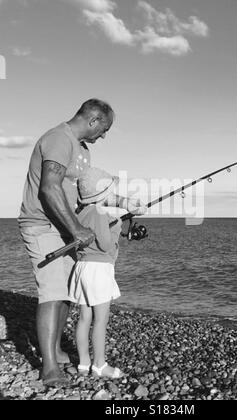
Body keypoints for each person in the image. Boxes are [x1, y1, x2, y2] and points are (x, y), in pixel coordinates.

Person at [18, 99, 146, 387]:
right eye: (104, 129)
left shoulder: (83, 151)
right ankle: (49, 367)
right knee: (52, 291)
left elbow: (90, 195)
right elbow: (49, 187)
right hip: (43, 225)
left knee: (65, 292)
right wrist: (76, 228)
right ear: (93, 120)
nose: (104, 136)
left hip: (65, 226)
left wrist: (126, 204)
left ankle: (56, 350)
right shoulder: (58, 139)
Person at [69, 168, 125, 379]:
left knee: (84, 318)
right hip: (99, 270)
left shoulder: (80, 213)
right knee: (100, 320)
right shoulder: (99, 212)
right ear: (102, 194)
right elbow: (105, 244)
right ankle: (100, 365)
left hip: (82, 268)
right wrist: (117, 228)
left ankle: (84, 363)